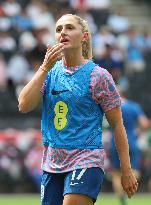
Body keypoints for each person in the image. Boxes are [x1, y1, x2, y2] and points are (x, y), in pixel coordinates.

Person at [18, 14, 138, 205]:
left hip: (86, 159)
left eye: (69, 27)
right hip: (52, 163)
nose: (63, 32)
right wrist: (43, 68)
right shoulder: (49, 72)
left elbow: (117, 125)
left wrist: (126, 170)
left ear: (84, 36)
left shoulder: (99, 76)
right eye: (58, 29)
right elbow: (24, 105)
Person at [109, 87, 151, 205]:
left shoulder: (111, 105)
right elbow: (144, 124)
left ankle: (121, 198)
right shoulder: (133, 107)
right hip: (130, 142)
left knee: (116, 174)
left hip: (114, 143)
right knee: (135, 170)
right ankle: (127, 187)